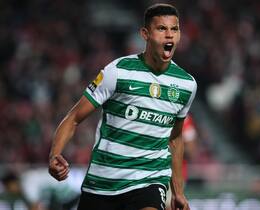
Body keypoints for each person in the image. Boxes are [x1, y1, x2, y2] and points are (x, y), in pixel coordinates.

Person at [48, 3, 197, 210]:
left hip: (149, 180)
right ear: (145, 33)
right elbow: (74, 118)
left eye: (174, 29)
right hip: (102, 183)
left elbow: (175, 138)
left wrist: (178, 192)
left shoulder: (186, 84)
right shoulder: (118, 72)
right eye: (162, 29)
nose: (169, 35)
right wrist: (55, 154)